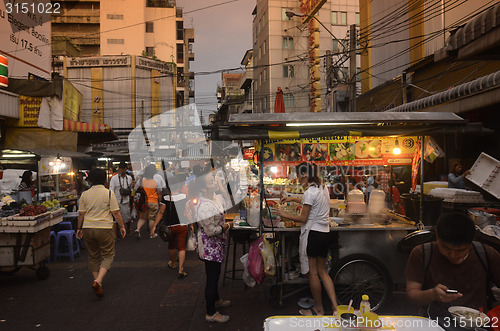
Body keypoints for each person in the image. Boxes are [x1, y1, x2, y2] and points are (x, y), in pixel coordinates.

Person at [405, 212, 500, 319]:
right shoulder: (422, 253)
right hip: (435, 321)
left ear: (472, 240)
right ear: (437, 235)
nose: (453, 255)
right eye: (446, 248)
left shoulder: (485, 254)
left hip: (478, 322)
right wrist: (432, 294)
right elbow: (412, 295)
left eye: (461, 250)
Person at [278, 162, 338, 316]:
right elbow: (309, 203)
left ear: (304, 174)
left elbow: (303, 218)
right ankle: (335, 307)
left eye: (298, 175)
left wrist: (283, 214)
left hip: (314, 235)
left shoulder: (310, 192)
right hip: (325, 233)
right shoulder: (322, 188)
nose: (297, 179)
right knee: (323, 272)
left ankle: (319, 309)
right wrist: (291, 199)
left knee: (313, 273)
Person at [76, 168, 126, 298]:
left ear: (90, 180)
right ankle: (98, 281)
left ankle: (98, 283)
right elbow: (116, 212)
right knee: (108, 255)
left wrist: (79, 228)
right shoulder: (108, 194)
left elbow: (81, 214)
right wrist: (122, 226)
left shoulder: (84, 194)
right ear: (105, 180)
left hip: (87, 228)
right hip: (104, 228)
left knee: (93, 256)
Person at [195, 168, 233, 323]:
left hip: (216, 246)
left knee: (215, 275)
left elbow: (224, 197)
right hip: (210, 247)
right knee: (211, 278)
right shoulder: (204, 206)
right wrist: (227, 226)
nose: (215, 183)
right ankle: (210, 312)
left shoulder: (213, 198)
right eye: (211, 182)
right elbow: (211, 231)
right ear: (203, 188)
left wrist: (219, 183)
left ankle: (216, 299)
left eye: (214, 180)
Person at [153, 174, 189, 279]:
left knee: (172, 245)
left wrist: (155, 225)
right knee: (182, 247)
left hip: (170, 226)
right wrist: (191, 224)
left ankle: (173, 263)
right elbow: (187, 212)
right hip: (182, 225)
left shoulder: (165, 198)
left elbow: (161, 212)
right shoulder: (184, 197)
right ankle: (181, 270)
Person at [134, 164, 161, 240]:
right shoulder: (155, 182)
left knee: (142, 217)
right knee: (152, 218)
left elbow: (136, 189)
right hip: (153, 201)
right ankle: (152, 234)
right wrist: (159, 201)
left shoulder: (141, 180)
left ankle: (137, 229)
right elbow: (159, 193)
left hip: (143, 202)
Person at [109, 161, 133, 236]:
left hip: (126, 200)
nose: (122, 170)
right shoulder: (114, 178)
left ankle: (128, 230)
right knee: (116, 219)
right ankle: (117, 234)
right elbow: (111, 190)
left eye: (123, 169)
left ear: (126, 169)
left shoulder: (129, 178)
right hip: (116, 201)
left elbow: (131, 188)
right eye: (121, 169)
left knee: (127, 217)